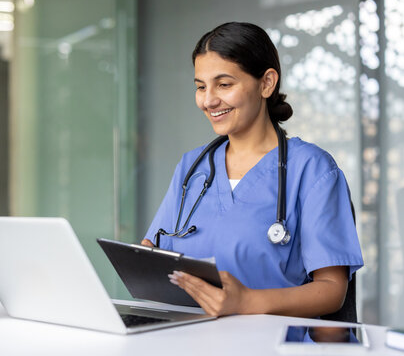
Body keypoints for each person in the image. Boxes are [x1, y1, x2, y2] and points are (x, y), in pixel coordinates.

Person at [141, 22, 364, 318]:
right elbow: (155, 250)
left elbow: (332, 289)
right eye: (200, 87)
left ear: (266, 83)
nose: (208, 100)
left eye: (224, 84)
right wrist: (142, 261)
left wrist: (248, 302)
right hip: (188, 340)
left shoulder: (311, 169)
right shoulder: (191, 169)